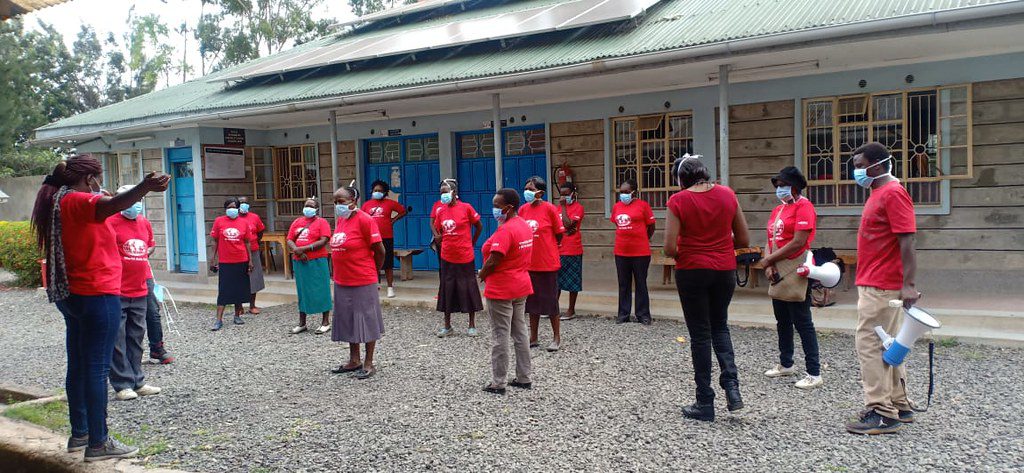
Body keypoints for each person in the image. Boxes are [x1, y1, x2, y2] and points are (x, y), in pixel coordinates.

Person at [31, 155, 168, 461]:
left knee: (79, 364)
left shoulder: (59, 200)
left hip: (72, 295)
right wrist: (144, 186)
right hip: (97, 292)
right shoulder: (79, 201)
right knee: (96, 368)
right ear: (90, 178)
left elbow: (106, 206)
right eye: (99, 177)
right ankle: (99, 442)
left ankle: (79, 433)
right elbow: (110, 206)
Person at [663, 155, 750, 422]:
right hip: (724, 269)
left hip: (692, 270)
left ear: (681, 179)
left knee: (700, 335)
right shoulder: (727, 194)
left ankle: (705, 401)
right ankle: (732, 389)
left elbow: (669, 248)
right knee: (720, 326)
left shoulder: (678, 201)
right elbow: (744, 239)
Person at [845, 142, 920, 435]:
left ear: (877, 165)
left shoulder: (892, 193)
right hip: (875, 282)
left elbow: (908, 240)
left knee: (871, 345)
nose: (856, 170)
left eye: (860, 164)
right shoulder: (879, 192)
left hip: (881, 285)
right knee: (889, 344)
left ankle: (881, 411)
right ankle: (900, 405)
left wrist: (909, 284)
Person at [760, 167, 822, 390]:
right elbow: (770, 238)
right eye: (777, 186)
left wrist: (769, 261)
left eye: (783, 185)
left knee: (802, 321)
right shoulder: (778, 209)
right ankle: (786, 363)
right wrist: (768, 261)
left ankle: (814, 372)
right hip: (776, 267)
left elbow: (798, 241)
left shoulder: (805, 207)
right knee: (782, 320)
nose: (779, 189)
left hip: (795, 266)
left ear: (795, 187)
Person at [107, 185, 162, 401]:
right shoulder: (110, 222)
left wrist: (143, 252)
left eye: (138, 200)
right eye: (131, 200)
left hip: (140, 287)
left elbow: (150, 245)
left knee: (136, 336)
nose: (135, 205)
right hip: (117, 289)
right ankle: (122, 384)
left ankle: (138, 380)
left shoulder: (144, 222)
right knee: (117, 338)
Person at [479, 188, 535, 395]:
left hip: (502, 288)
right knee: (520, 332)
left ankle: (498, 382)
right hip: (520, 285)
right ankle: (524, 377)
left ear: (508, 207)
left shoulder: (506, 230)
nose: (494, 209)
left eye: (496, 206)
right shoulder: (524, 225)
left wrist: (482, 274)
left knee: (500, 335)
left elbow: (494, 259)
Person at [329, 185, 386, 379]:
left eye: (341, 202)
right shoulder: (341, 220)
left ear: (353, 201)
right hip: (342, 280)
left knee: (366, 319)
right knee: (348, 319)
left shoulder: (365, 220)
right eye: (335, 202)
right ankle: (354, 359)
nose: (338, 206)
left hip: (362, 279)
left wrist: (374, 273)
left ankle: (369, 362)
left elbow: (380, 251)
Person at [433, 178, 484, 337]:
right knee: (447, 289)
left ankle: (472, 325)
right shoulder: (440, 211)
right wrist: (438, 237)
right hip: (447, 256)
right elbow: (437, 228)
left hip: (465, 256)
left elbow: (479, 225)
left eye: (445, 192)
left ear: (454, 193)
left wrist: (472, 242)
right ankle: (447, 325)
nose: (443, 195)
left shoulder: (466, 208)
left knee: (468, 287)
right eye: (441, 193)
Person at [519, 176, 565, 351]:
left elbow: (559, 233)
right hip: (529, 263)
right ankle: (534, 336)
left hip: (547, 263)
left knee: (551, 301)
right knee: (532, 303)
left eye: (531, 189)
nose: (527, 192)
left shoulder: (550, 209)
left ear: (540, 192)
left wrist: (548, 245)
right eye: (526, 188)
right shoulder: (523, 210)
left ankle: (556, 337)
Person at [611, 178, 656, 325]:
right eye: (621, 192)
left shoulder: (643, 206)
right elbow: (616, 223)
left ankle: (643, 314)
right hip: (621, 252)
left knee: (640, 283)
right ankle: (623, 314)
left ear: (634, 192)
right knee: (623, 283)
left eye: (626, 192)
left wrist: (643, 238)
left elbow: (651, 226)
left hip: (640, 253)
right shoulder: (617, 207)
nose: (623, 194)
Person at [286, 198, 333, 335]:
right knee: (302, 291)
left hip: (317, 260)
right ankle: (302, 323)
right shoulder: (297, 222)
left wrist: (305, 249)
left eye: (311, 206)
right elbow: (289, 239)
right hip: (299, 260)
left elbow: (324, 240)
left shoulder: (321, 222)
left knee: (321, 289)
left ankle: (325, 322)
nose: (308, 208)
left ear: (317, 209)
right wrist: (296, 250)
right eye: (306, 205)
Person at [209, 198, 254, 331]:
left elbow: (247, 242)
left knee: (239, 289)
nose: (231, 209)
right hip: (225, 261)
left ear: (238, 208)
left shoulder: (244, 223)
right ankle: (218, 319)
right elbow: (215, 240)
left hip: (241, 259)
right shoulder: (219, 221)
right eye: (229, 207)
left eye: (234, 207)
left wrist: (250, 260)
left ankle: (237, 315)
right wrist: (213, 258)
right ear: (225, 209)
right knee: (223, 290)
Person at [361, 180, 408, 298]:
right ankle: (375, 284)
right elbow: (361, 218)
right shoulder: (366, 204)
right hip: (371, 237)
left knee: (387, 263)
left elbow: (403, 211)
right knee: (372, 262)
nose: (377, 192)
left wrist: (393, 220)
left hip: (386, 236)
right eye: (375, 190)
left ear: (385, 192)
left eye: (380, 191)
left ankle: (390, 287)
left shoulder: (390, 203)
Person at [557, 182, 584, 321]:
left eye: (566, 194)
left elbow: (568, 225)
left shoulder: (578, 208)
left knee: (573, 281)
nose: (563, 197)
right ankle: (553, 308)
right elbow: (557, 228)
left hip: (573, 249)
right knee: (556, 281)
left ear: (573, 193)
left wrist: (563, 207)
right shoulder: (556, 209)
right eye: (561, 194)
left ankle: (571, 309)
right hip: (558, 249)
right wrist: (566, 229)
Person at [237, 196, 265, 314]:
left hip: (253, 250)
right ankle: (238, 306)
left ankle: (252, 305)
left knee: (254, 278)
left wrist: (255, 242)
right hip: (238, 252)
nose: (244, 205)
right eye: (241, 203)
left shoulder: (254, 217)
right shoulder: (234, 218)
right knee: (238, 279)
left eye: (246, 203)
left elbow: (260, 231)